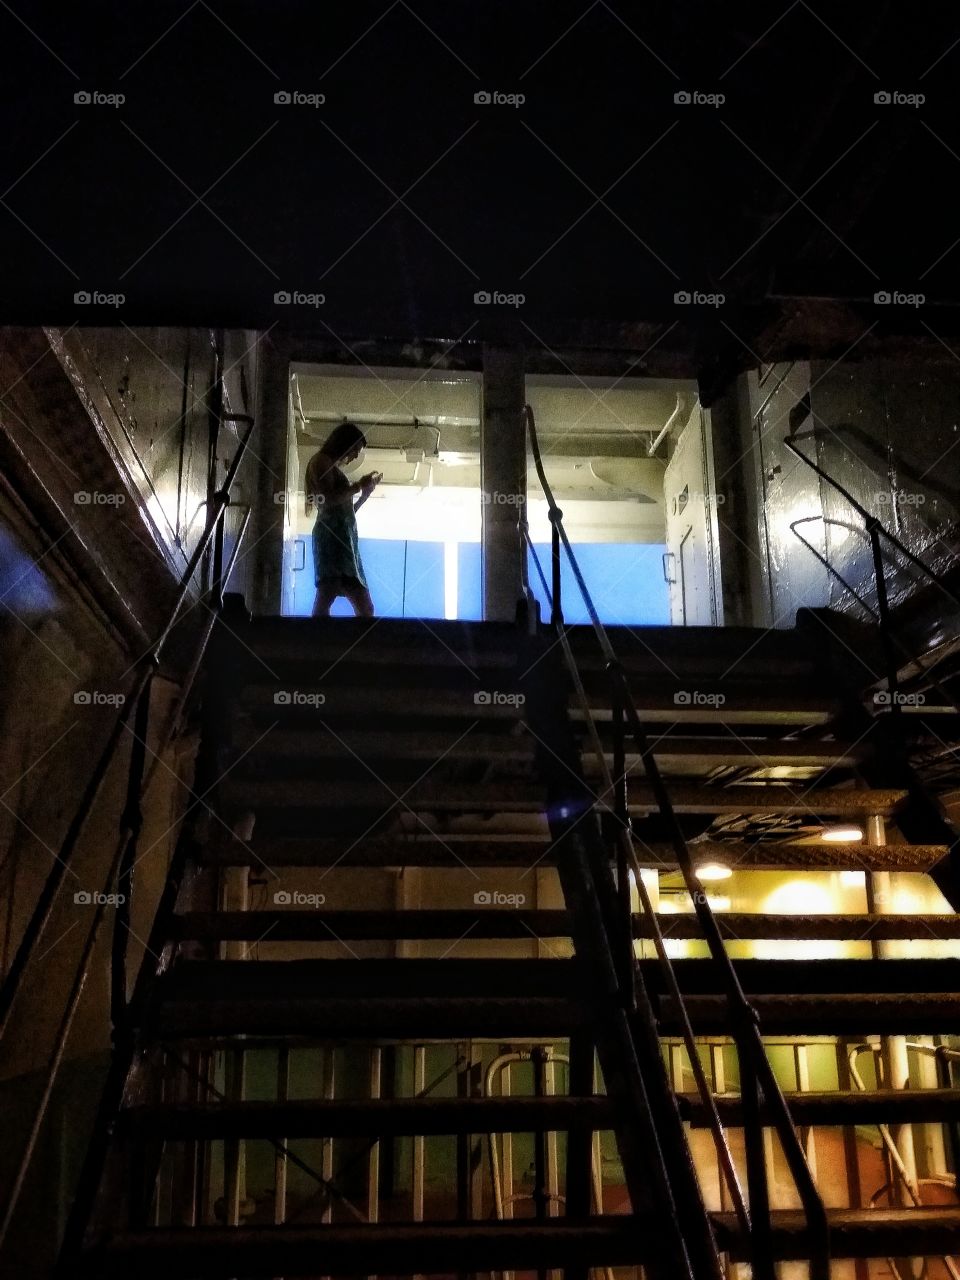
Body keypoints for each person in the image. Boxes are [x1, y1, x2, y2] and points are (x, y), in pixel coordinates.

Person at [304, 422, 381, 617]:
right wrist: (357, 487)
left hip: (342, 539)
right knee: (329, 593)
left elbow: (343, 513)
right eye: (355, 449)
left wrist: (363, 495)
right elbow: (327, 501)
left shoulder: (329, 465)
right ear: (344, 444)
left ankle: (326, 643)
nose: (355, 456)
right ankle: (317, 643)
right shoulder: (320, 462)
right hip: (332, 539)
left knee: (360, 605)